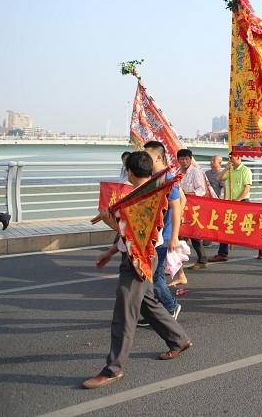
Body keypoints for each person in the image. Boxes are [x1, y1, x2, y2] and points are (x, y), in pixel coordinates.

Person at [82, 151, 191, 389]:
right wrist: (110, 252)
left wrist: (110, 221)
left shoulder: (139, 200)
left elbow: (130, 235)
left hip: (139, 259)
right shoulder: (149, 195)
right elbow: (129, 237)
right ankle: (179, 339)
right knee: (147, 302)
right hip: (140, 255)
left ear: (129, 172)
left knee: (124, 313)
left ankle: (113, 369)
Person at [141, 141, 182, 325]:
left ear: (158, 157)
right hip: (154, 235)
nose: (145, 160)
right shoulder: (155, 177)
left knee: (155, 276)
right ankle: (156, 312)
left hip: (163, 236)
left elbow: (177, 208)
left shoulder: (167, 178)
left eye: (147, 156)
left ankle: (171, 306)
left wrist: (174, 237)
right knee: (150, 276)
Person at [210, 152, 253, 262]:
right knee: (225, 227)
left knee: (249, 228)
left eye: (231, 157)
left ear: (238, 157)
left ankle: (261, 249)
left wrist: (238, 200)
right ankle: (222, 253)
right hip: (229, 203)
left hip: (242, 202)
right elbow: (219, 178)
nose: (230, 159)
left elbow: (246, 188)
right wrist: (226, 169)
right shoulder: (230, 169)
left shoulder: (245, 170)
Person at [176, 149, 208, 272]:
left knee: (193, 234)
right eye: (181, 159)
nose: (184, 161)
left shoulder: (195, 172)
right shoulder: (177, 173)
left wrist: (185, 194)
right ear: (178, 160)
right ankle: (177, 263)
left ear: (190, 159)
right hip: (180, 207)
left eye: (186, 159)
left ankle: (202, 259)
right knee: (180, 233)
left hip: (193, 208)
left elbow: (201, 191)